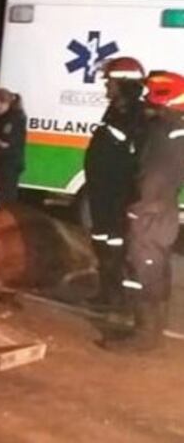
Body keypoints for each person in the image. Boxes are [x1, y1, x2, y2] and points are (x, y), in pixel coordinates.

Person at [105, 71, 184, 352]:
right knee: (156, 268)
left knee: (142, 268)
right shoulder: (174, 126)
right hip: (162, 210)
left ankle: (145, 335)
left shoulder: (164, 130)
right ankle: (151, 330)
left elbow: (153, 176)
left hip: (151, 213)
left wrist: (138, 210)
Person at [83, 57, 146, 309]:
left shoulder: (136, 115)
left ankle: (123, 300)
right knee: (102, 243)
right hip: (102, 194)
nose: (106, 87)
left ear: (123, 83)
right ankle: (107, 293)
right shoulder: (115, 109)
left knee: (119, 248)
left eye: (109, 82)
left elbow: (133, 158)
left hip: (118, 197)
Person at [0, 87, 27, 204]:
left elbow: (4, 143)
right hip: (2, 164)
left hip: (8, 165)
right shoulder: (1, 118)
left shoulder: (13, 119)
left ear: (3, 102)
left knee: (5, 198)